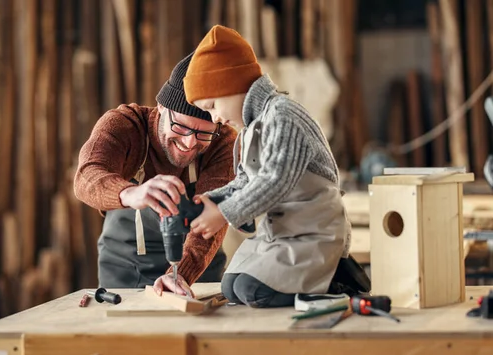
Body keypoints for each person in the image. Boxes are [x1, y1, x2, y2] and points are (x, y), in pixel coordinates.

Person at [183, 25, 370, 308]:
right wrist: (212, 199)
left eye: (212, 106)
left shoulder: (283, 115)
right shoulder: (250, 130)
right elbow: (246, 181)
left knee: (253, 291)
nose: (215, 118)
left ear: (233, 85)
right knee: (232, 287)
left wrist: (224, 213)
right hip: (281, 234)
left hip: (312, 232)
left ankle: (337, 280)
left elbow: (275, 180)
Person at [73, 51, 238, 296]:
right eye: (181, 126)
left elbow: (216, 209)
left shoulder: (223, 142)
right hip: (124, 266)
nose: (189, 143)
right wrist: (130, 193)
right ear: (161, 106)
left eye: (204, 133)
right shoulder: (124, 126)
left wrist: (182, 274)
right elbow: (87, 176)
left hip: (198, 272)